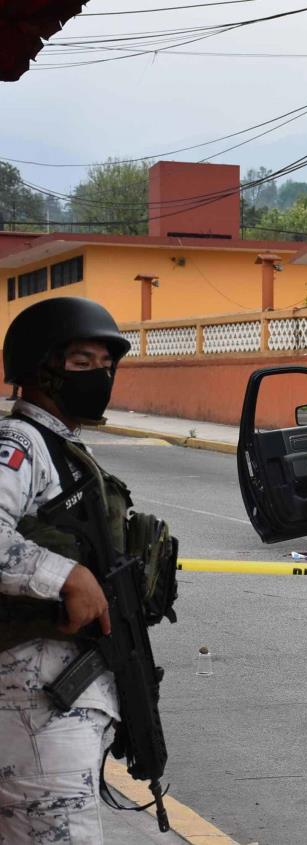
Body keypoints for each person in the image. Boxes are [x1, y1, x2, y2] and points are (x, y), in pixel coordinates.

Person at [0, 297, 160, 843]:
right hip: (32, 696)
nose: (101, 377)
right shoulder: (20, 443)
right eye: (83, 363)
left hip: (52, 694)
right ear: (38, 368)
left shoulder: (62, 449)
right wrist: (66, 575)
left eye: (107, 366)